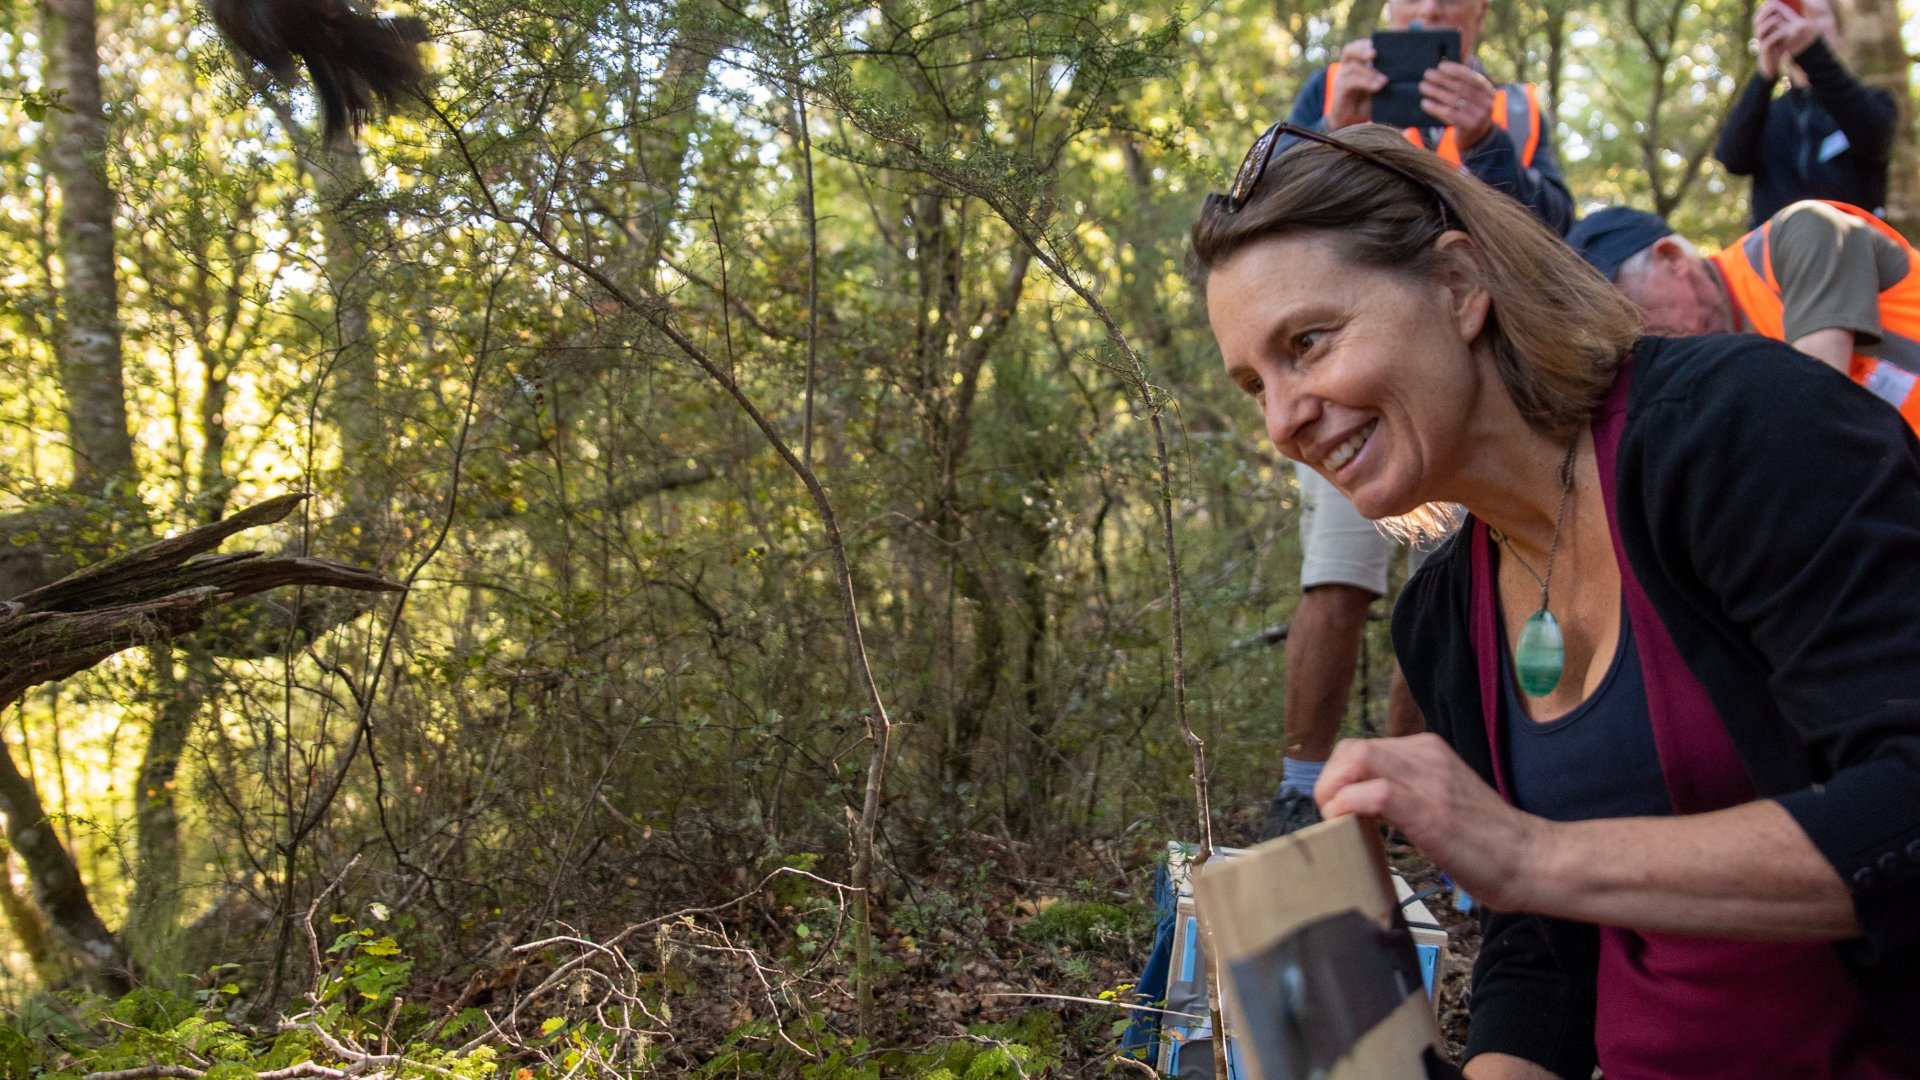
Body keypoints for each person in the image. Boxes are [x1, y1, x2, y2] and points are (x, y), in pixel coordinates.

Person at [1192, 122, 1920, 1077]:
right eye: (1256, 383)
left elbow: (1904, 802)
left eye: (1310, 343)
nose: (1285, 419)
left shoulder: (1735, 429)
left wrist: (1531, 854)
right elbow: (1540, 953)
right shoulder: (1444, 616)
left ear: (1458, 287)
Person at [1261, 0, 1574, 838]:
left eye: (1448, 0)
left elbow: (1549, 240)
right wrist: (1334, 131)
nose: (1429, 7)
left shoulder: (1514, 111)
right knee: (1336, 576)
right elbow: (1264, 225)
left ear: (1473, 16)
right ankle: (1299, 789)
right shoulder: (1328, 88)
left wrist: (1484, 146)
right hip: (1343, 377)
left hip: (1472, 382)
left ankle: (1402, 801)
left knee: (1444, 591)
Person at [1569, 200, 1920, 433]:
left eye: (1626, 308)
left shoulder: (1800, 233)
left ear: (1672, 257)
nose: (1631, 336)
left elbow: (1815, 416)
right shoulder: (1709, 372)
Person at [1713, 0, 1896, 228]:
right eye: (1794, 13)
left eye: (1815, 14)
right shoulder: (1765, 115)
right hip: (1777, 258)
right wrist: (1765, 72)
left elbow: (1875, 137)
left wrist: (1811, 52)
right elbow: (1732, 159)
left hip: (1854, 254)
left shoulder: (1873, 102)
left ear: (1840, 32)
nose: (1800, 23)